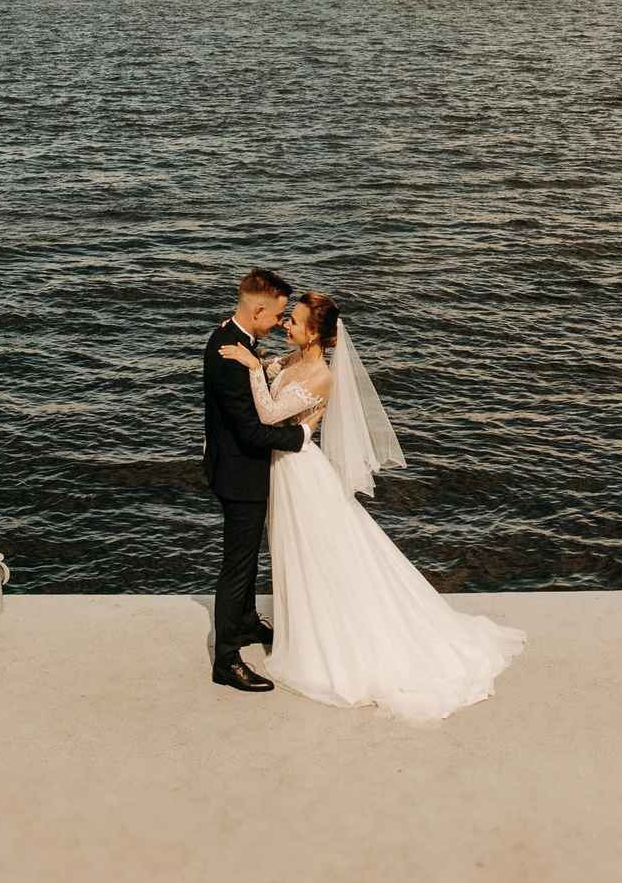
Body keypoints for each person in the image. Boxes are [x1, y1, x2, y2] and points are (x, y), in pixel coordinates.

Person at [221, 292, 525, 722]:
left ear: (313, 335)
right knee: (299, 554)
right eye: (287, 319)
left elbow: (269, 415)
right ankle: (305, 624)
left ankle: (330, 637)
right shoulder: (291, 362)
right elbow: (272, 378)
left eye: (294, 322)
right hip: (285, 468)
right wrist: (257, 358)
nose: (286, 325)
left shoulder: (322, 376)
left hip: (299, 471)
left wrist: (253, 369)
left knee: (315, 554)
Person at [201, 269, 314, 692]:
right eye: (279, 315)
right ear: (259, 309)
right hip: (240, 474)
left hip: (228, 464)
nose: (280, 323)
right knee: (238, 564)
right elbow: (251, 431)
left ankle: (246, 622)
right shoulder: (231, 358)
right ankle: (226, 659)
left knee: (244, 559)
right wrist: (301, 435)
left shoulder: (228, 339)